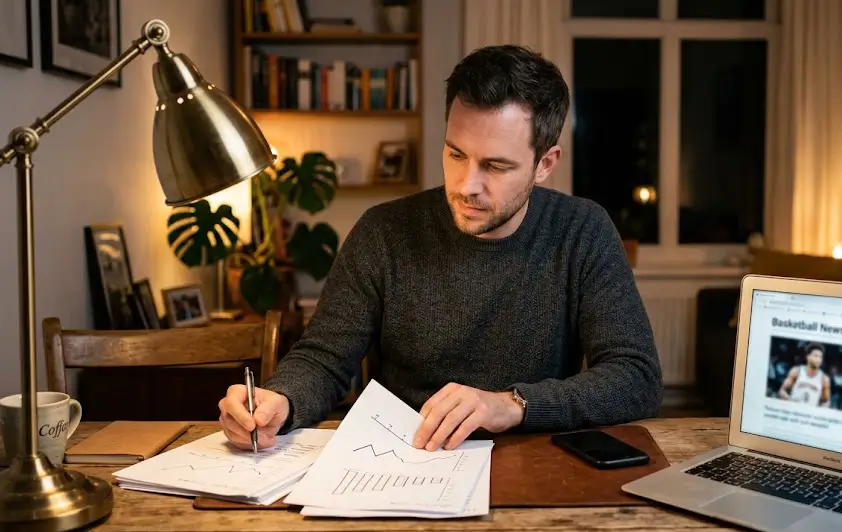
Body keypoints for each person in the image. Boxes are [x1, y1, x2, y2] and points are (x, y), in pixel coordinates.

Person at [217, 44, 664, 453]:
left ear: (544, 164)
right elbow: (325, 356)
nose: (467, 185)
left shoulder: (582, 230)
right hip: (404, 458)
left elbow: (636, 377)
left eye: (496, 165)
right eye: (455, 154)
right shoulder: (385, 231)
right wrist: (283, 399)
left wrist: (513, 405)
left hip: (536, 457)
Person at [778, 343, 831, 407]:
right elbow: (782, 391)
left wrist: (819, 410)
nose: (818, 359)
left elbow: (826, 401)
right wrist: (790, 400)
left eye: (820, 357)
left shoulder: (824, 378)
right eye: (816, 356)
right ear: (807, 357)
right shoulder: (796, 371)